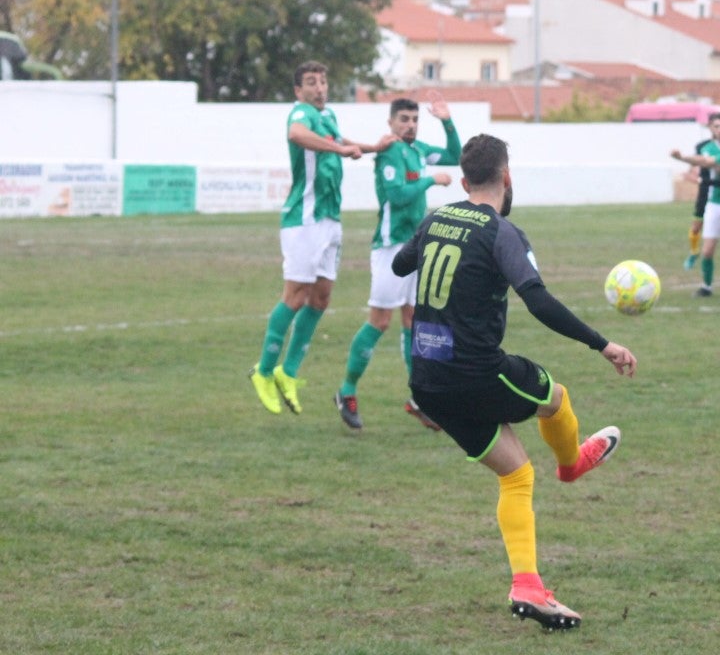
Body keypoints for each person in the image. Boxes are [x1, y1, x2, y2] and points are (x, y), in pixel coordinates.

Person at [391, 133, 636, 630]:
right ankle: (572, 465)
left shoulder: (438, 216)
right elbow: (539, 301)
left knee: (517, 475)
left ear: (463, 180)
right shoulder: (502, 232)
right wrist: (602, 344)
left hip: (427, 381)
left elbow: (400, 264)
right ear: (507, 177)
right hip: (479, 372)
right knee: (556, 398)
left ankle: (527, 586)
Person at [249, 61, 382, 415]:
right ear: (298, 91)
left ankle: (287, 372)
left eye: (323, 81)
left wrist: (372, 148)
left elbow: (341, 141)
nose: (320, 87)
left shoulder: (328, 116)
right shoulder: (300, 114)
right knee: (295, 296)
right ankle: (263, 372)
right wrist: (339, 150)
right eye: (311, 82)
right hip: (304, 219)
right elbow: (297, 135)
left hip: (330, 220)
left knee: (320, 298)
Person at [333, 96, 462, 430]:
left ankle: (419, 399)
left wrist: (446, 121)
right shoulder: (390, 151)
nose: (410, 124)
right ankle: (346, 390)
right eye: (403, 119)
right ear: (390, 123)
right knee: (380, 321)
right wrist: (430, 180)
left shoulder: (418, 149)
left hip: (416, 246)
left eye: (414, 119)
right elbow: (397, 195)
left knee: (413, 320)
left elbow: (453, 156)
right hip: (391, 248)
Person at [670, 121, 720, 297]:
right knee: (707, 250)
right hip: (715, 204)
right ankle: (706, 286)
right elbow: (705, 162)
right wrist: (682, 158)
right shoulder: (713, 151)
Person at [681, 112, 720, 270]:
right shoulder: (702, 147)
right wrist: (693, 176)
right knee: (696, 226)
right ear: (710, 127)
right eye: (717, 126)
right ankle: (694, 253)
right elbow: (693, 168)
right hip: (706, 189)